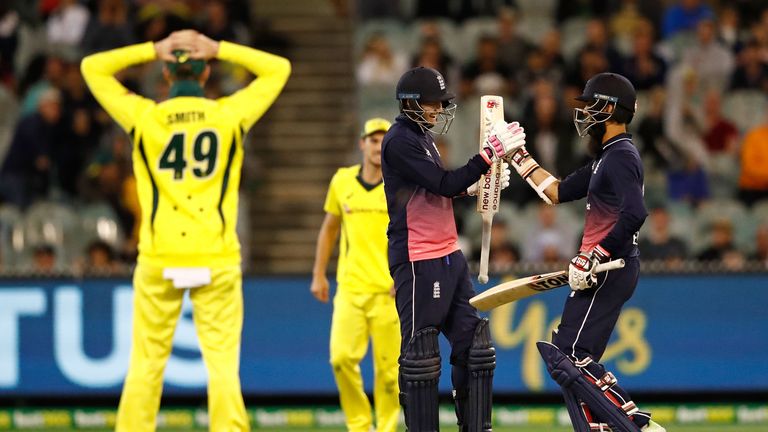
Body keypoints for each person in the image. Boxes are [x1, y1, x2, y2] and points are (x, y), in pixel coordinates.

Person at [81, 29, 290, 431]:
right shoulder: (229, 115)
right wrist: (218, 47)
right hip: (216, 255)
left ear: (165, 75)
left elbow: (93, 67)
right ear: (207, 73)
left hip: (160, 256)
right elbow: (278, 69)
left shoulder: (144, 115)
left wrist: (153, 47)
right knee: (223, 365)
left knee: (146, 363)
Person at [506, 72, 665, 431]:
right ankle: (601, 426)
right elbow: (557, 192)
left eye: (591, 106)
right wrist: (516, 155)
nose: (584, 115)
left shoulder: (621, 155)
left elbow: (635, 213)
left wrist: (595, 254)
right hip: (600, 268)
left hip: (609, 267)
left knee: (571, 357)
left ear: (608, 109)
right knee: (568, 354)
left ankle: (635, 423)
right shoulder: (605, 158)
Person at [382, 66, 523, 431]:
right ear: (411, 103)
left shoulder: (422, 137)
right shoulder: (399, 140)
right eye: (432, 104)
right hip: (419, 258)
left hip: (448, 254)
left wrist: (475, 187)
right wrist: (487, 156)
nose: (437, 110)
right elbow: (442, 184)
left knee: (475, 347)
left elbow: (438, 189)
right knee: (421, 355)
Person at [309, 118, 400, 432]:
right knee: (341, 359)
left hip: (388, 292)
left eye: (383, 140)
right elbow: (330, 229)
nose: (377, 146)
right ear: (362, 144)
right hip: (350, 289)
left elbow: (414, 233)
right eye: (372, 140)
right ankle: (360, 424)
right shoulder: (342, 181)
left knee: (389, 374)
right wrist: (319, 274)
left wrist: (405, 277)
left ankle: (386, 427)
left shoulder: (399, 183)